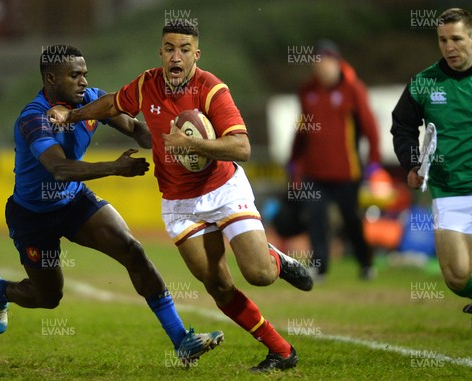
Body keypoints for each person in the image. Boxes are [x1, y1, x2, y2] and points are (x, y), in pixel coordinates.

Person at [47, 22, 313, 373]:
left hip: (223, 190)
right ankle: (281, 351)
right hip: (179, 204)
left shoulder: (212, 89)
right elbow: (112, 105)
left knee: (259, 274)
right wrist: (73, 115)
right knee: (217, 285)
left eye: (184, 49)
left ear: (195, 55)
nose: (176, 56)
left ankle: (274, 259)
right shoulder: (146, 85)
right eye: (169, 48)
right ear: (160, 53)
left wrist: (193, 144)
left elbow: (242, 147)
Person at [0, 44, 223, 363]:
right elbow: (59, 168)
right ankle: (0, 291)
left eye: (85, 74)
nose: (83, 81)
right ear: (51, 78)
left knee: (132, 251)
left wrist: (179, 144)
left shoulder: (93, 99)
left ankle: (182, 340)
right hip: (32, 216)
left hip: (74, 202)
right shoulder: (33, 118)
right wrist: (114, 168)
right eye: (74, 75)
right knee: (49, 297)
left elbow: (135, 128)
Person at [391, 8, 472, 345]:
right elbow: (402, 126)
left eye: (457, 39)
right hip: (450, 192)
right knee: (457, 277)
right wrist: (412, 164)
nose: (449, 47)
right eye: (443, 40)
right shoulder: (424, 83)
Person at [287, 40, 380, 281]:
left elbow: (370, 127)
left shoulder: (353, 89)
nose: (321, 69)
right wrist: (294, 159)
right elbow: (302, 128)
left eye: (325, 63)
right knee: (316, 219)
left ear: (336, 63)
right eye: (316, 64)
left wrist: (374, 160)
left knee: (351, 220)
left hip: (346, 172)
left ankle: (366, 263)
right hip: (313, 172)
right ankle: (320, 267)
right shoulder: (307, 90)